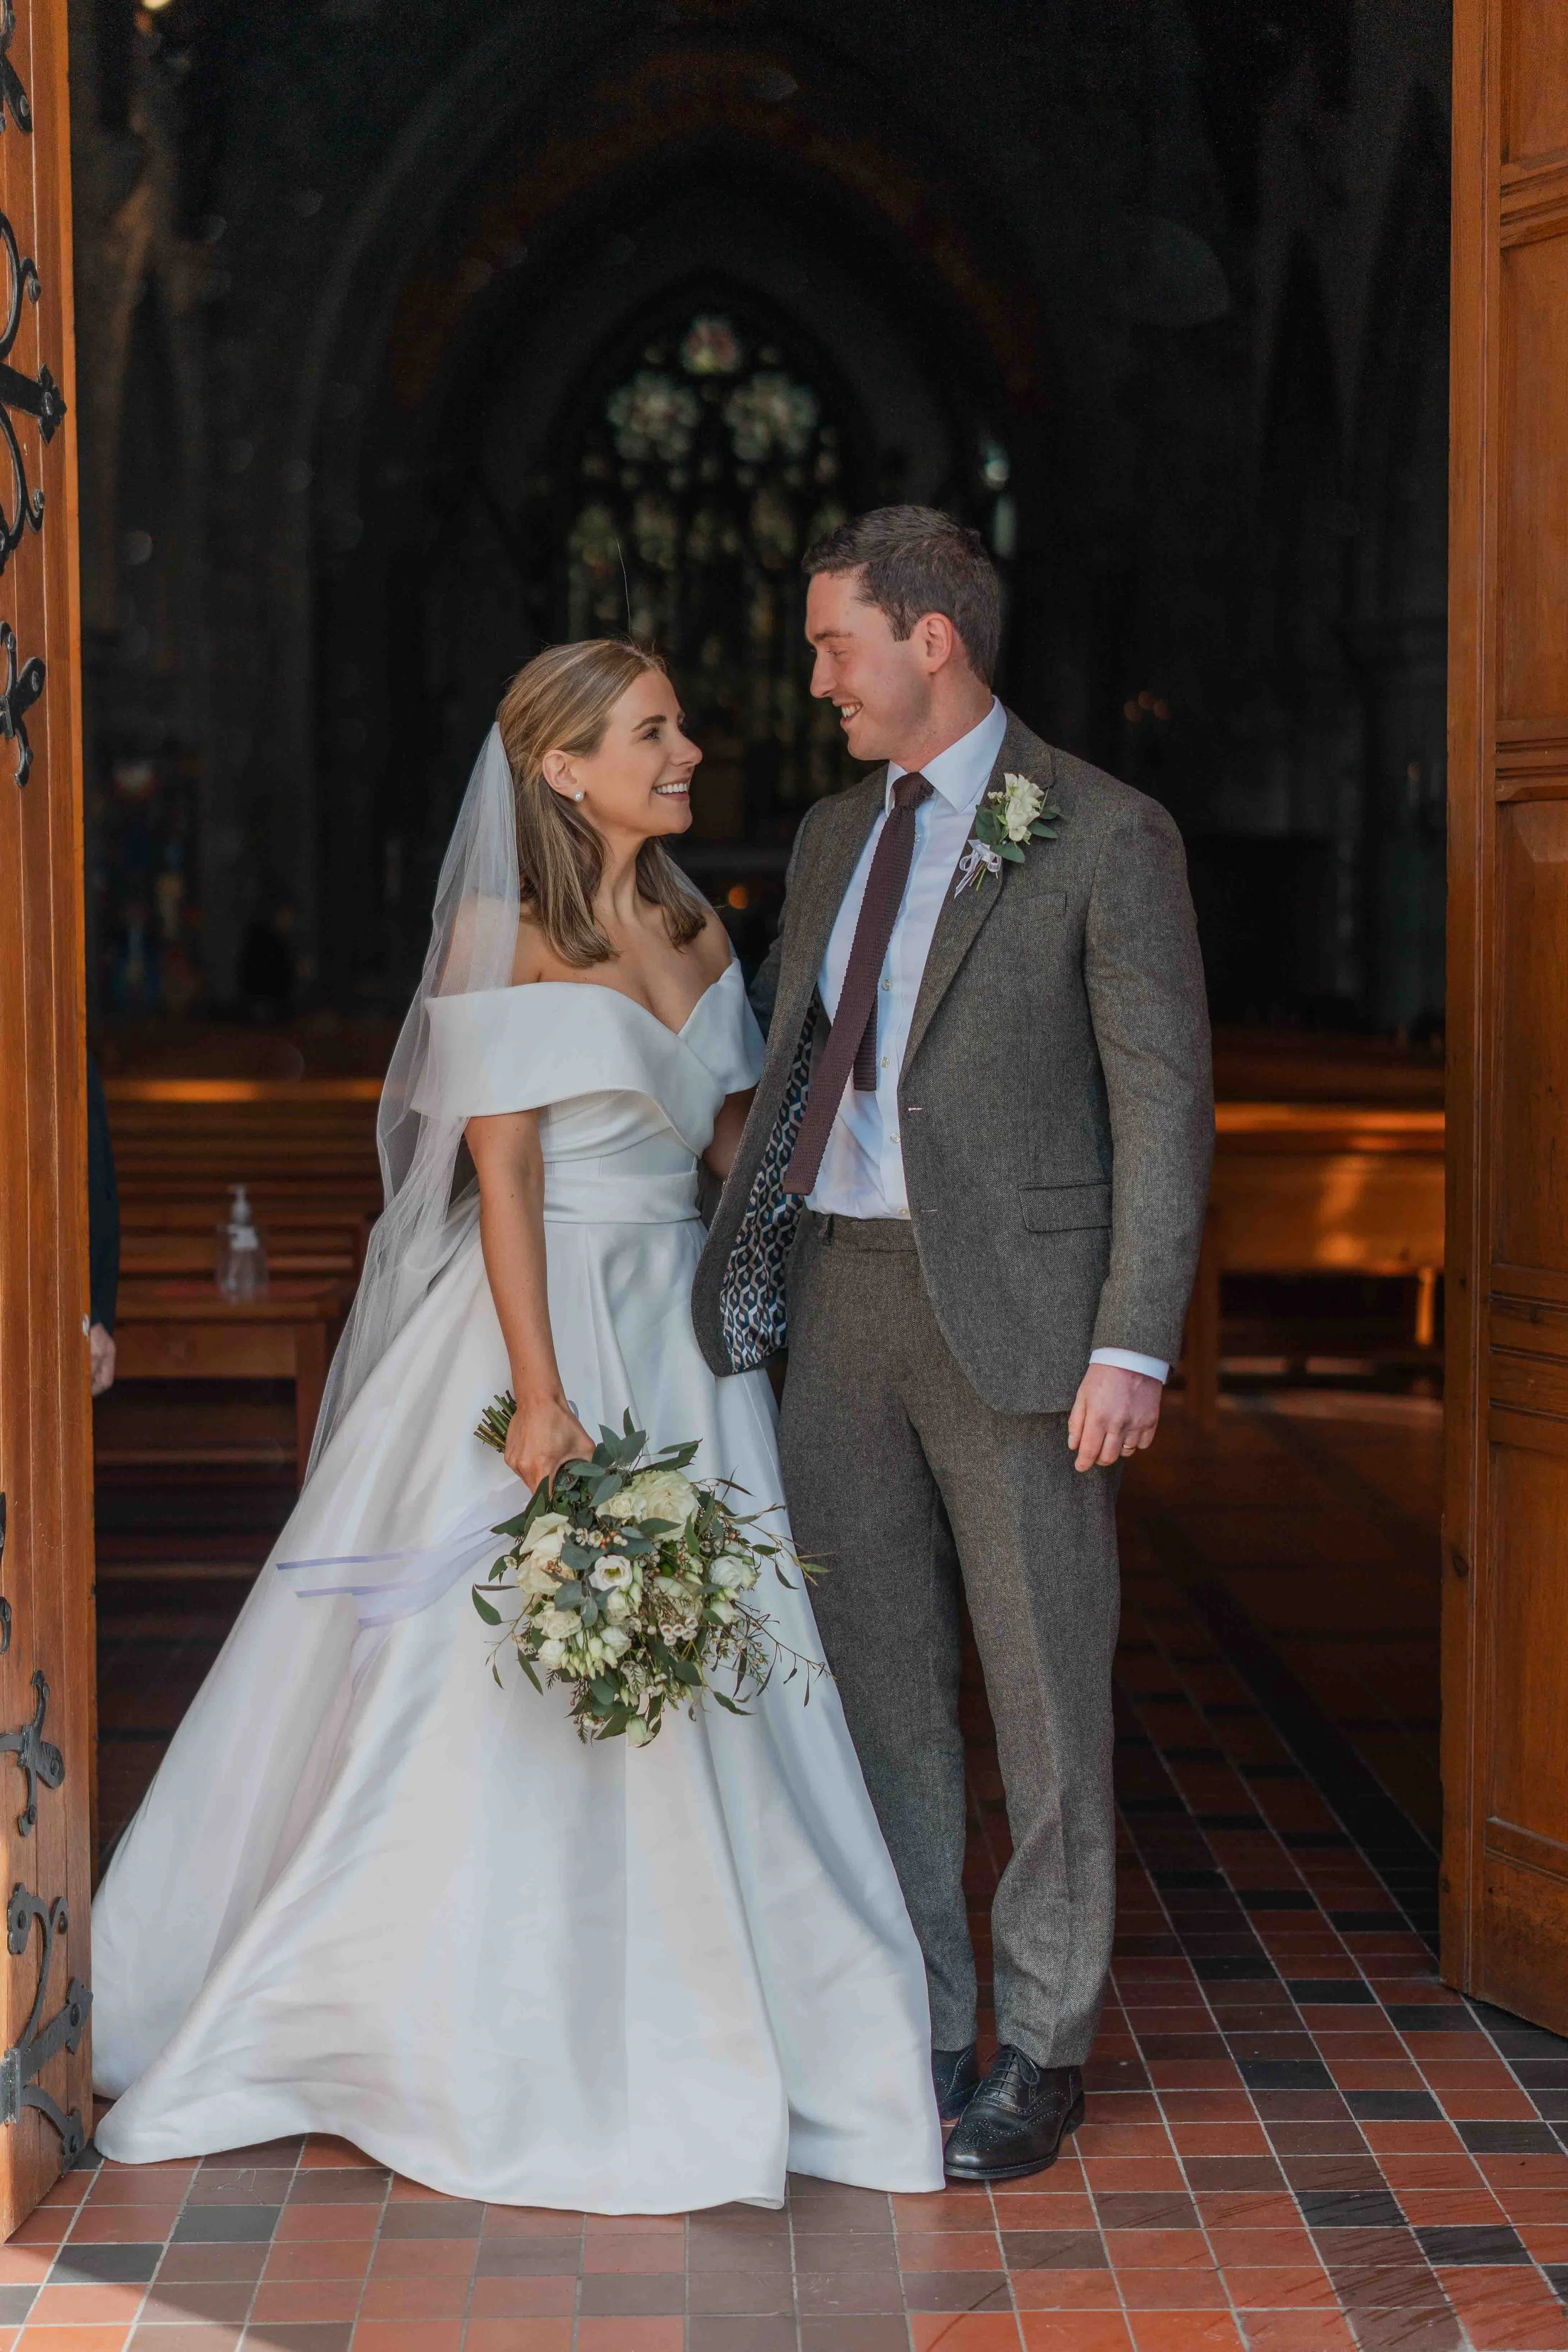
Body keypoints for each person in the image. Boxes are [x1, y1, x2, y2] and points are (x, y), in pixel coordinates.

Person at [91, 638, 943, 2212]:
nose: (687, 749)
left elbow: (737, 1143)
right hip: (538, 1320)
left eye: (677, 725)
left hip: (681, 1335)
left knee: (727, 1664)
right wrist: (539, 1396)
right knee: (471, 1677)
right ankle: (430, 2018)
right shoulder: (503, 929)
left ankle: (743, 2013)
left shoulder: (693, 920)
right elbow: (499, 1172)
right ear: (562, 767)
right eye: (651, 730)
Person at [694, 506, 1214, 2183]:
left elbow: (1162, 1100)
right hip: (836, 1300)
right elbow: (792, 1060)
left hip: (1027, 1322)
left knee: (1045, 1687)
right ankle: (920, 2013)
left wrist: (1131, 1340)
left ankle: (1043, 2042)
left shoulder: (1102, 828)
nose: (816, 675)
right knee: (878, 1686)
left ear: (932, 637)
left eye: (834, 642)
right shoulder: (835, 827)